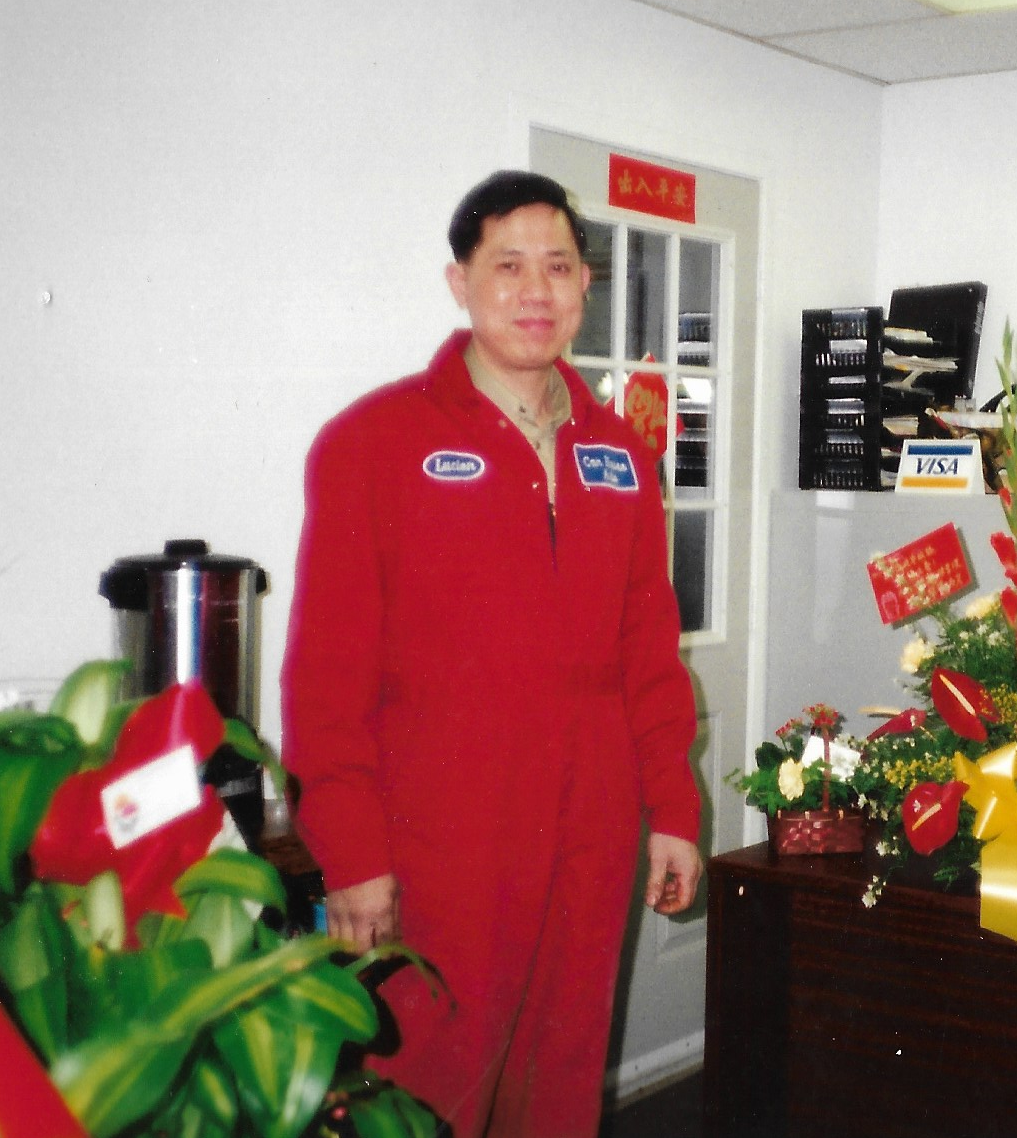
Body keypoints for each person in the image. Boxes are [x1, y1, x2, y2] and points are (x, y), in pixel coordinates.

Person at [281, 170, 703, 1138]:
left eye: (557, 267)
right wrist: (351, 851)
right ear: (457, 280)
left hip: (591, 830)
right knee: (428, 1087)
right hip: (439, 840)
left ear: (585, 287)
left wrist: (671, 809)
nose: (534, 291)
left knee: (557, 1088)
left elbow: (647, 651)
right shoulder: (373, 443)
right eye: (506, 265)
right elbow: (325, 674)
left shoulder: (620, 457)